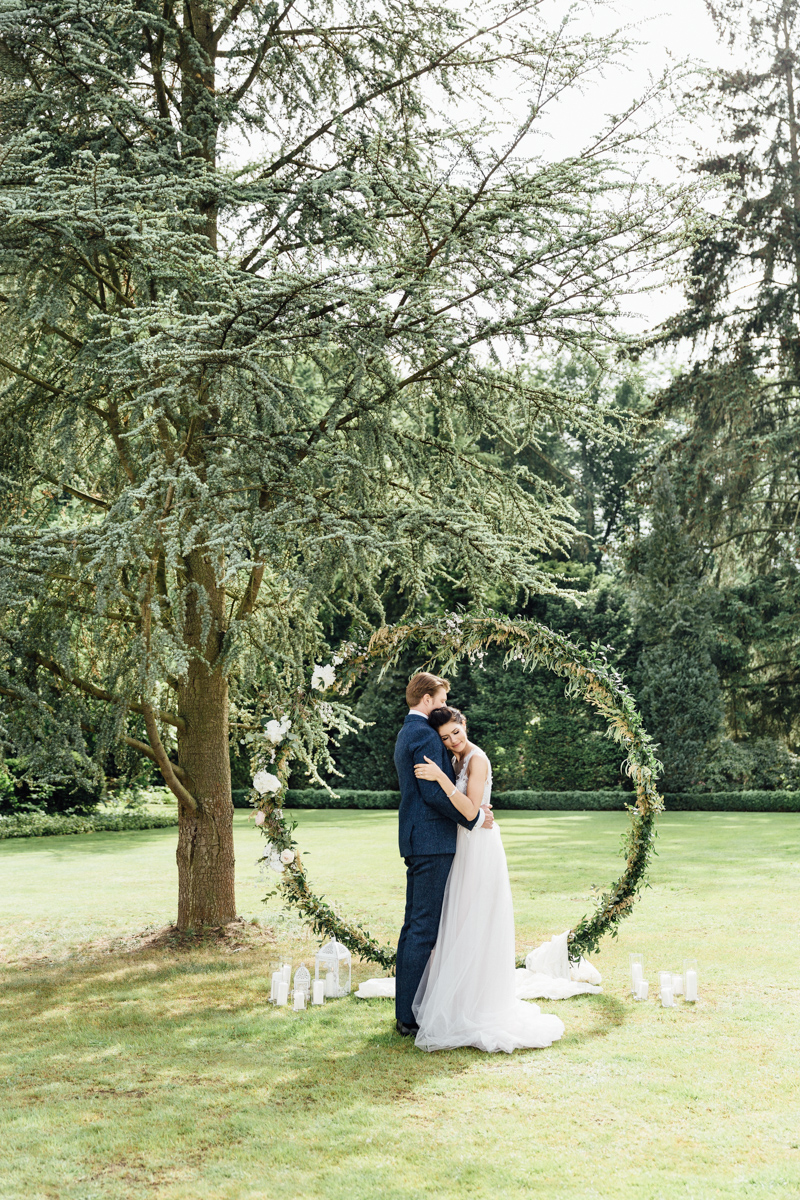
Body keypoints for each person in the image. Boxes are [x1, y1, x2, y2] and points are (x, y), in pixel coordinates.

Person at [411, 705, 565, 1053]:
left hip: (480, 846)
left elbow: (471, 810)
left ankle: (481, 1002)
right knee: (461, 918)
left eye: (456, 732)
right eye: (446, 737)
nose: (453, 740)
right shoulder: (455, 758)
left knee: (477, 917)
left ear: (464, 724)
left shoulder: (476, 759)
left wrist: (440, 778)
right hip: (463, 843)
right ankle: (461, 995)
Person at [393, 673, 494, 1037]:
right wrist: (475, 817)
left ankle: (405, 1006)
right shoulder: (422, 733)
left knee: (413, 926)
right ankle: (407, 1016)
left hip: (419, 839)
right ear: (426, 698)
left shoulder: (409, 730)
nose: (442, 707)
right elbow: (434, 793)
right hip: (432, 841)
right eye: (439, 699)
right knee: (422, 928)